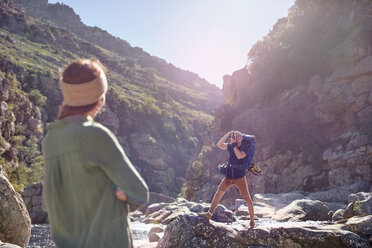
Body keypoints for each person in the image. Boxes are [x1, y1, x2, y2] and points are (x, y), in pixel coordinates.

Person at [42, 59, 149, 248]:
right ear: (100, 97)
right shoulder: (95, 135)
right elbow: (139, 193)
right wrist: (118, 192)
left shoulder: (51, 139)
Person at [199, 131, 256, 228]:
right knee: (218, 194)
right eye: (235, 135)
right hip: (228, 176)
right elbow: (219, 144)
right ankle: (209, 214)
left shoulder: (245, 147)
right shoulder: (230, 146)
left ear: (242, 138)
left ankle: (252, 222)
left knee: (247, 199)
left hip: (240, 177)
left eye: (239, 135)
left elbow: (239, 155)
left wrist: (233, 145)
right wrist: (228, 134)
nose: (238, 137)